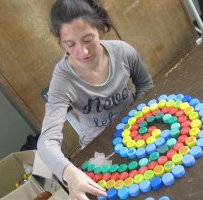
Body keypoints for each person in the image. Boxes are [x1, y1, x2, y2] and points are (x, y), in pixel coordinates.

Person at [37, 0, 153, 199]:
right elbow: (46, 141)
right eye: (70, 44)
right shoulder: (62, 80)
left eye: (88, 39)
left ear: (100, 29)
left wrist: (138, 118)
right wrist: (70, 172)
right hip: (99, 149)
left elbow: (145, 84)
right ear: (61, 42)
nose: (82, 52)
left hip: (137, 129)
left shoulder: (123, 51)